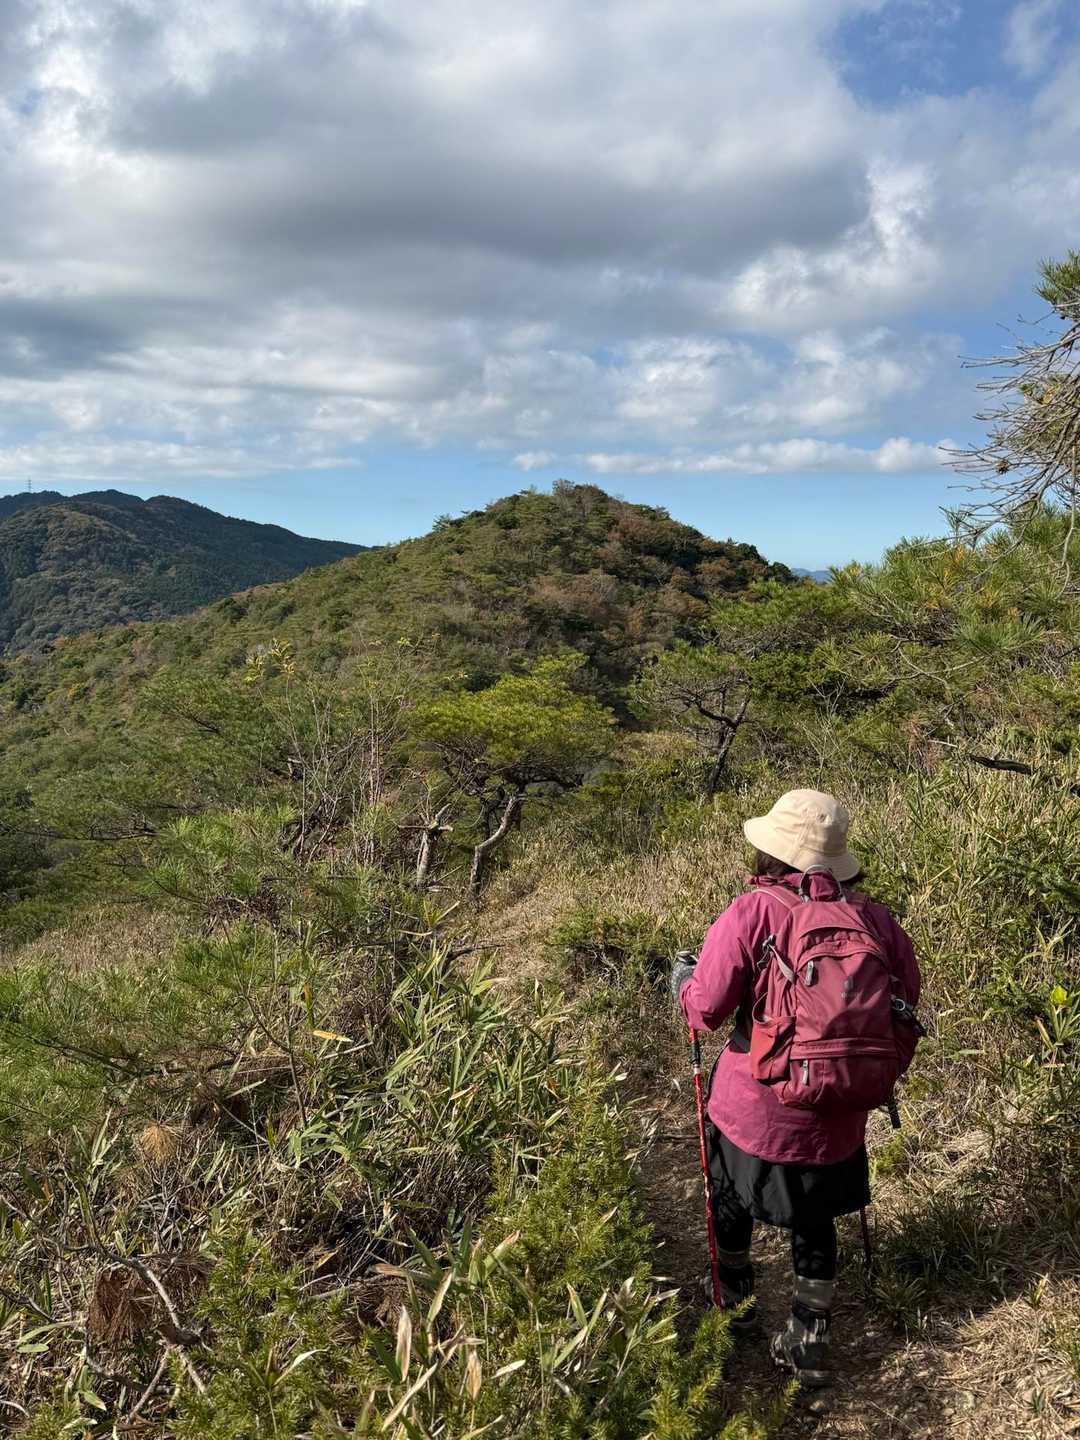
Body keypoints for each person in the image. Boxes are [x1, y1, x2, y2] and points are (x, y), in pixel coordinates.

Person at [670, 789, 920, 1388]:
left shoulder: (753, 912)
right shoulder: (876, 920)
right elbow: (905, 1005)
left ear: (772, 851)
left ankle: (735, 1304)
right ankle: (809, 1339)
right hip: (840, 1109)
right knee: (816, 1215)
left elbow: (706, 1008)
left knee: (729, 1197)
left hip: (753, 1108)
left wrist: (682, 981)